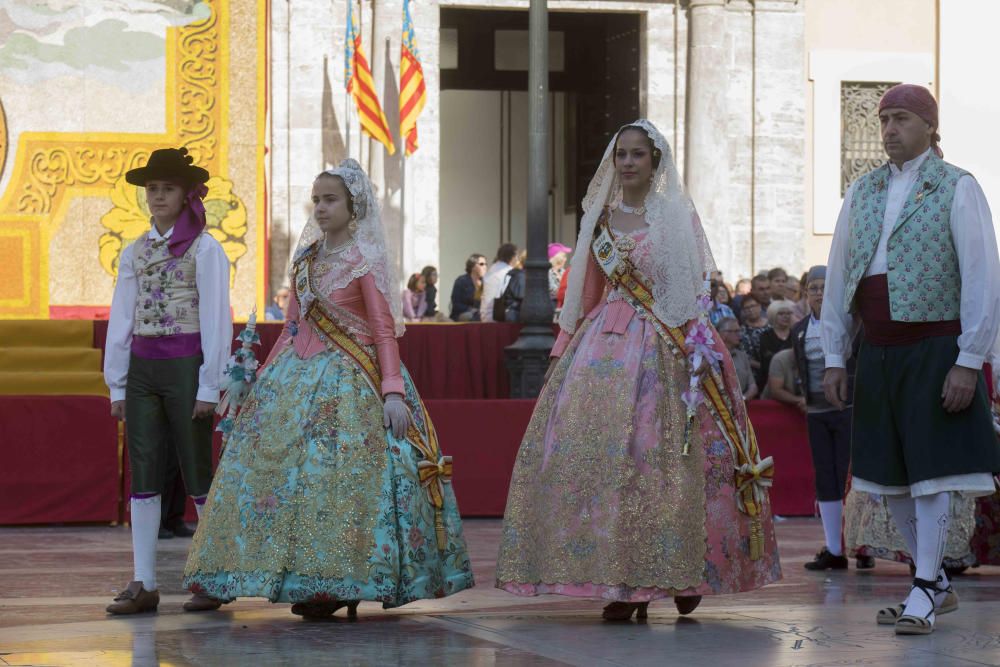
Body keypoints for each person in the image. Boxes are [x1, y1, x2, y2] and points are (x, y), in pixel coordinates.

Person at [495, 120, 779, 621]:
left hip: (667, 347)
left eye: (637, 155)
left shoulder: (675, 216)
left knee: (665, 460)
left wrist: (696, 352)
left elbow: (694, 289)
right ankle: (625, 581)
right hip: (601, 347)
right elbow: (585, 292)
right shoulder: (600, 221)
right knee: (610, 466)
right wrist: (561, 352)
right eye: (620, 154)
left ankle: (687, 570)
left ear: (655, 162)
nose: (627, 162)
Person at [183, 159, 474, 617]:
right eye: (316, 199)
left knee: (337, 482)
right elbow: (291, 328)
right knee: (264, 474)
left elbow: (382, 331)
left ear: (352, 204)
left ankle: (334, 585)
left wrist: (393, 391)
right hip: (294, 379)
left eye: (330, 199)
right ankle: (225, 575)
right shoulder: (306, 260)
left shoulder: (365, 259)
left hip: (351, 381)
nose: (320, 208)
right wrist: (258, 381)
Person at [822, 84, 1000, 635]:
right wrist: (834, 352)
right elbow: (839, 273)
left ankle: (924, 584)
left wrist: (968, 359)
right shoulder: (863, 190)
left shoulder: (956, 186)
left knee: (933, 474)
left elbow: (981, 276)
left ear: (929, 125)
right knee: (888, 477)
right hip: (877, 349)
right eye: (884, 121)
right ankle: (934, 583)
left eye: (901, 119)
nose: (890, 130)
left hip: (935, 348)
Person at [103, 147, 232, 615]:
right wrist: (117, 383)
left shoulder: (207, 248)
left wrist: (209, 384)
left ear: (186, 194)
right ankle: (144, 581)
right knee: (144, 471)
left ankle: (213, 576)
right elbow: (122, 317)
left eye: (167, 188)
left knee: (197, 467)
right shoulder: (135, 250)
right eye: (151, 189)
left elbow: (218, 318)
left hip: (185, 366)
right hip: (143, 368)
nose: (157, 196)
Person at [789, 266, 858, 570]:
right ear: (805, 294)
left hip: (848, 411)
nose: (818, 293)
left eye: (824, 287)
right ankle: (834, 548)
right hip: (817, 413)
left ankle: (859, 544)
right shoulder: (799, 329)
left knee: (849, 477)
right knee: (825, 476)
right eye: (813, 288)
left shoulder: (851, 324)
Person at [756, 300, 795, 388]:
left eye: (788, 313)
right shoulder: (765, 336)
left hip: (794, 381)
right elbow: (768, 359)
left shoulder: (796, 335)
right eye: (781, 314)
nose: (786, 316)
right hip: (770, 381)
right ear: (773, 315)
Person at [719, 316, 758, 401]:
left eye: (739, 331)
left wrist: (742, 400)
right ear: (723, 334)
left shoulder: (742, 356)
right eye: (736, 331)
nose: (739, 334)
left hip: (742, 405)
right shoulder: (710, 356)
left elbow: (752, 386)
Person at [480, 243, 518, 322]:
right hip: (498, 317)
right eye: (516, 256)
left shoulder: (491, 270)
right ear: (513, 257)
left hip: (484, 316)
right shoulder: (509, 272)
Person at [738, 294, 771, 380]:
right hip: (756, 374)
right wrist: (763, 367)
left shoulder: (772, 324)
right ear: (743, 311)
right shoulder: (742, 331)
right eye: (747, 308)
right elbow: (745, 356)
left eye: (753, 306)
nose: (751, 310)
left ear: (759, 306)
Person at [450, 254, 486, 322]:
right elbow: (456, 303)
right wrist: (471, 309)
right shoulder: (461, 281)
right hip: (462, 314)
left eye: (486, 264)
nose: (485, 267)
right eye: (482, 264)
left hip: (480, 313)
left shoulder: (486, 282)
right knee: (475, 317)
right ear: (473, 266)